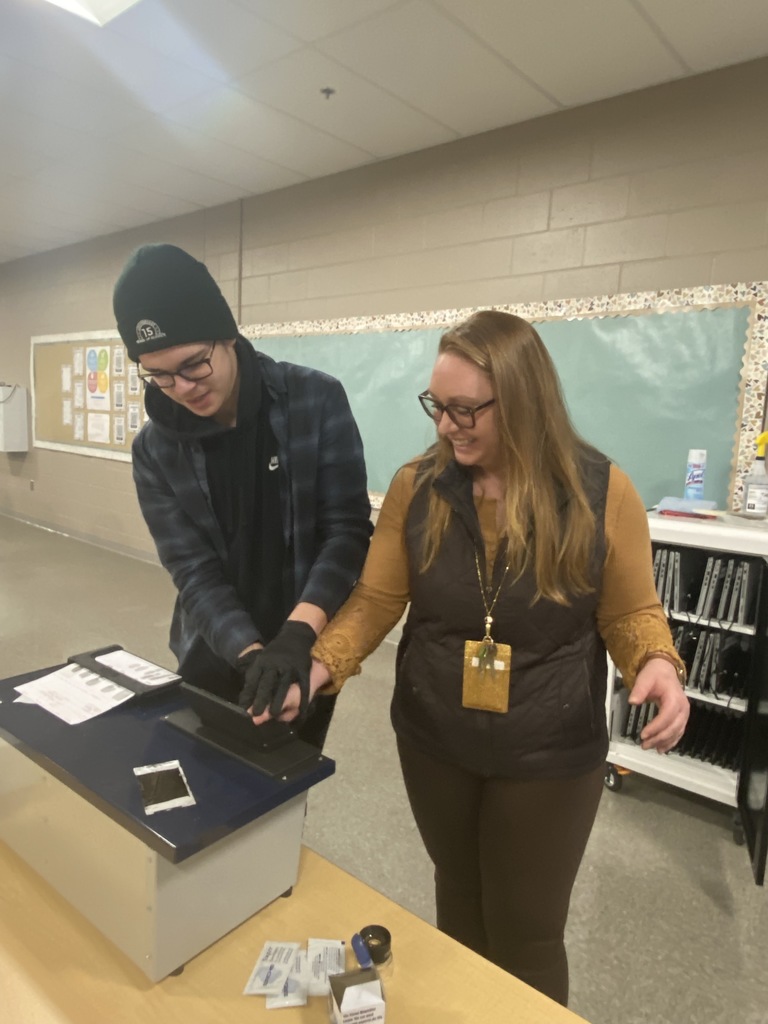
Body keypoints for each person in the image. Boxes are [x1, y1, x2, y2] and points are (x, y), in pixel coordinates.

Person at [250, 309, 690, 1005]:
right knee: (457, 903)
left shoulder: (601, 492)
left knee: (528, 933)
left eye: (465, 410)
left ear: (522, 400)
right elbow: (373, 600)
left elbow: (631, 611)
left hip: (549, 749)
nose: (447, 425)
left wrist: (657, 667)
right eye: (437, 406)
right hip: (436, 737)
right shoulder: (416, 486)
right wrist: (318, 664)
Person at [112, 243, 371, 748]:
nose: (182, 388)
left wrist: (297, 636)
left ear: (226, 334)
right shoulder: (154, 450)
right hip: (213, 649)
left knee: (286, 782)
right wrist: (251, 653)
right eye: (158, 375)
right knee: (207, 790)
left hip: (305, 646)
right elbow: (192, 570)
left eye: (194, 364)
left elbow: (345, 531)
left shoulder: (315, 401)